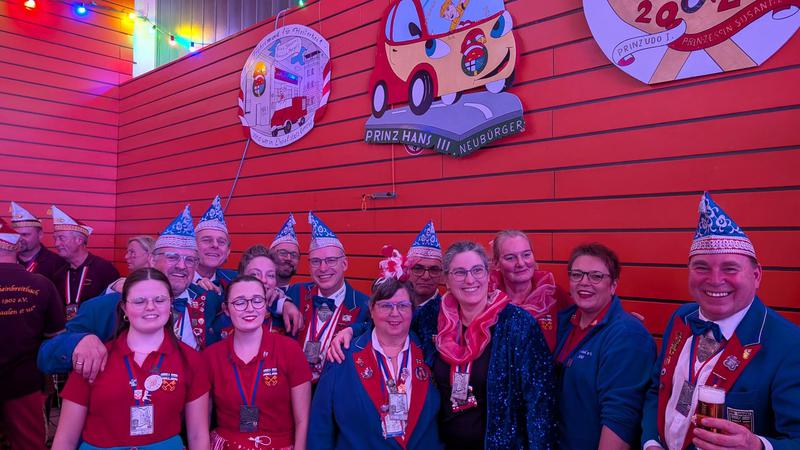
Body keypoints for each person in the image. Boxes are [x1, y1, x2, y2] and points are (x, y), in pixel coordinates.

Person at [642, 192, 800, 450]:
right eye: (702, 267)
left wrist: (758, 446)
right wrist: (651, 442)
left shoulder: (790, 345)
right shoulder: (681, 318)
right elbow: (657, 391)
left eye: (730, 268)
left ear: (756, 276)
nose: (715, 280)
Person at [38, 205, 225, 380]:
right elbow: (46, 357)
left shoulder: (209, 300)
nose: (182, 266)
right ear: (152, 260)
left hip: (191, 400)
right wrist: (79, 341)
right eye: (172, 257)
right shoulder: (108, 304)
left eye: (190, 260)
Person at [52, 268, 210, 450]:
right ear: (124, 308)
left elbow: (198, 435)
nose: (150, 307)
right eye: (139, 301)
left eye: (159, 300)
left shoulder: (190, 360)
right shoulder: (94, 357)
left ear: (170, 304)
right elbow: (65, 439)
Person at [309, 248, 442, 449]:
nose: (395, 313)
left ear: (412, 310)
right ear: (371, 310)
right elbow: (321, 426)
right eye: (386, 306)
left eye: (402, 306)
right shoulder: (342, 355)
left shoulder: (428, 352)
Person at [429, 241, 556, 449]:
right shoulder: (432, 319)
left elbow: (540, 402)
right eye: (459, 272)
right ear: (447, 280)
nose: (470, 279)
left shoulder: (518, 324)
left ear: (488, 275)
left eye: (477, 270)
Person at [554, 243, 656, 449]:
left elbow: (621, 419)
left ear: (613, 285)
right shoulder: (564, 323)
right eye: (577, 275)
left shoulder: (628, 336)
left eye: (596, 276)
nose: (584, 282)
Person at [205, 275, 311, 450]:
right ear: (226, 309)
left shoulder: (290, 350)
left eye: (257, 301)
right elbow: (202, 423)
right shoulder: (211, 356)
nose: (250, 309)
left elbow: (303, 421)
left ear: (266, 305)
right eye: (239, 302)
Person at [0, 217, 65, 450]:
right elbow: (55, 336)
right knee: (29, 444)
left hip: (25, 382)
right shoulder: (42, 284)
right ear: (16, 247)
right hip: (26, 382)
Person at [285, 212, 370, 383]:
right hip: (294, 387)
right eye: (316, 261)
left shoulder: (364, 305)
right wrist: (283, 303)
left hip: (335, 391)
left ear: (344, 264)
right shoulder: (295, 292)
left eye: (331, 260)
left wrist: (354, 329)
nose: (323, 268)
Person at [489, 230, 571, 352]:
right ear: (496, 263)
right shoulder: (487, 299)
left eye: (526, 255)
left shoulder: (554, 295)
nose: (521, 263)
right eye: (510, 258)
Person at [49, 205, 119, 319]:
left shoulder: (105, 270)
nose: (56, 244)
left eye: (61, 238)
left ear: (79, 240)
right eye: (55, 239)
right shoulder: (58, 273)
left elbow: (115, 307)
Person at [236, 244, 303, 335]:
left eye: (270, 275)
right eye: (254, 274)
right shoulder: (227, 319)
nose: (264, 280)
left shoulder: (283, 320)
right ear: (241, 277)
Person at [9, 201, 67, 283]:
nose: (19, 239)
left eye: (25, 234)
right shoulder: (7, 260)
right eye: (17, 234)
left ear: (40, 235)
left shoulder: (57, 263)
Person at [194, 195, 237, 292]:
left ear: (228, 252)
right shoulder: (176, 282)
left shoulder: (235, 280)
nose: (215, 245)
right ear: (192, 246)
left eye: (221, 242)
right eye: (206, 240)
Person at [270, 213, 301, 291]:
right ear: (270, 256)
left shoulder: (303, 295)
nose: (289, 258)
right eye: (283, 253)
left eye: (294, 255)